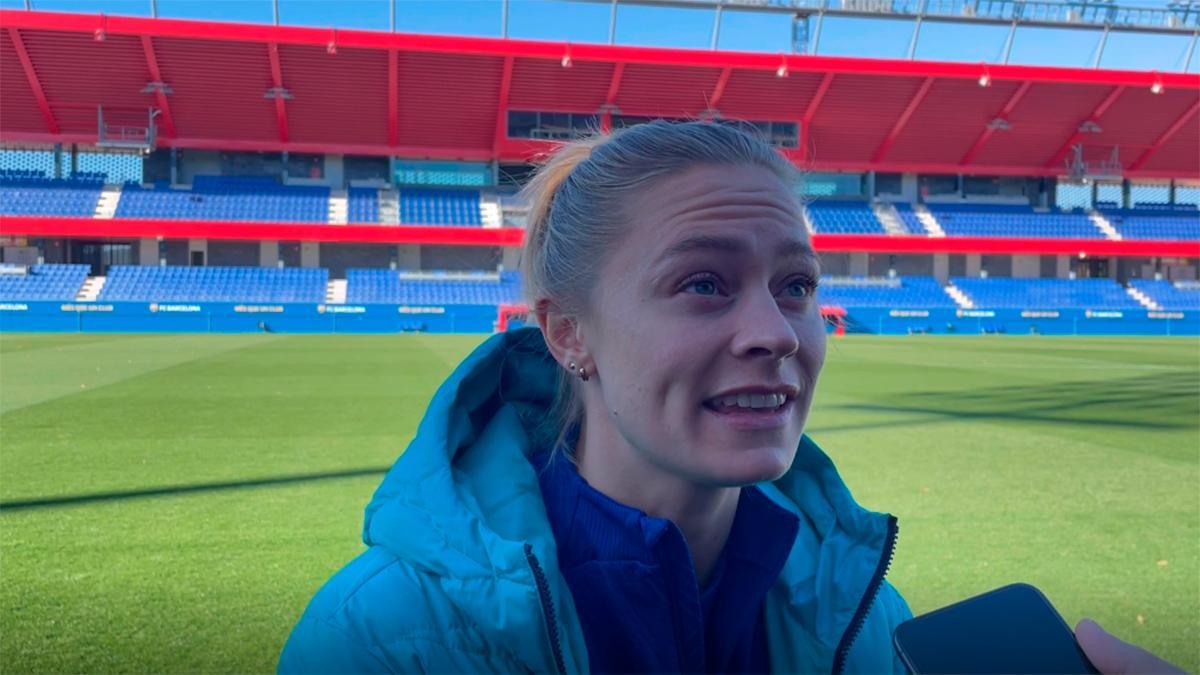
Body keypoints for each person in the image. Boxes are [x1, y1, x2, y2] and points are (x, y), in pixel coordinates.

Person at [278, 121, 1182, 674]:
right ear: (568, 335)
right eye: (704, 284)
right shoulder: (382, 639)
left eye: (795, 286)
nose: (778, 332)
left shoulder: (869, 620)